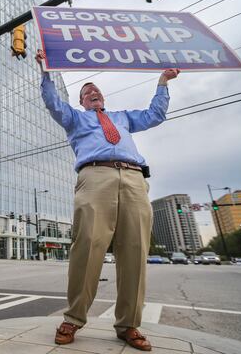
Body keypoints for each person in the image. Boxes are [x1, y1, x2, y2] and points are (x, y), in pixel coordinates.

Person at [35, 49, 179, 351]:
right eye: (87, 92)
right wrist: (45, 71)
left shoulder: (122, 118)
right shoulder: (74, 118)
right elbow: (52, 103)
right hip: (95, 176)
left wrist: (163, 82)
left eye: (96, 90)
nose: (93, 92)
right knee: (87, 246)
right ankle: (73, 318)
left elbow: (155, 115)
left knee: (136, 250)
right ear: (82, 102)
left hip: (134, 178)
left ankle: (128, 325)